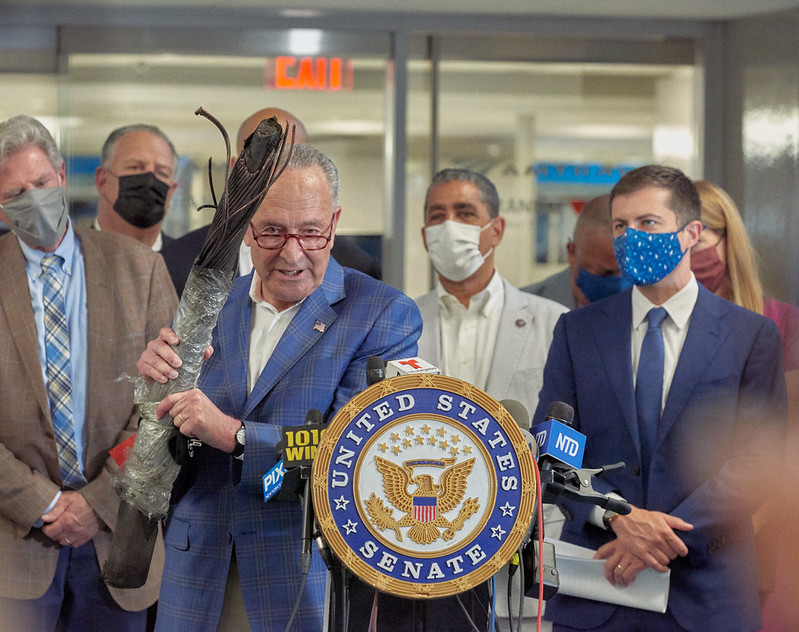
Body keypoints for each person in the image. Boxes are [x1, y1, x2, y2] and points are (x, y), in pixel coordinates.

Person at [136, 144, 422, 632]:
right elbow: (165, 439)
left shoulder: (383, 313)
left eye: (311, 232)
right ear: (246, 226)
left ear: (334, 223)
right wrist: (152, 389)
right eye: (272, 231)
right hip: (194, 568)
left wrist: (234, 433)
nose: (292, 253)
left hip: (299, 570)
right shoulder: (207, 305)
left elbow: (353, 452)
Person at [534, 164, 786, 632]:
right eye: (620, 226)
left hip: (707, 595)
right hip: (599, 589)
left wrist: (659, 535)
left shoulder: (750, 336)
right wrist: (619, 517)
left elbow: (758, 462)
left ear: (691, 232)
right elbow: (552, 451)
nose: (632, 238)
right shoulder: (577, 332)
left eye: (648, 223)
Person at [347, 168, 566, 631]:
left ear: (497, 229)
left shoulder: (554, 324)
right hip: (422, 562)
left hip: (521, 567)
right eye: (437, 216)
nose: (450, 226)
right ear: (426, 235)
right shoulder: (396, 323)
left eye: (465, 213)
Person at [0, 115, 177, 630]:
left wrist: (96, 500)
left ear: (60, 175)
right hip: (14, 548)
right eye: (15, 193)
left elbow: (168, 404)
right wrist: (44, 503)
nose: (32, 198)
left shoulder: (139, 269)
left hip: (119, 542)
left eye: (40, 183)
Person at [690, 180, 799, 624]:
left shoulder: (780, 324)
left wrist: (739, 528)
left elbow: (785, 443)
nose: (687, 250)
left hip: (757, 530)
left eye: (699, 236)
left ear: (727, 240)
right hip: (668, 528)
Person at [162, 107, 381, 296]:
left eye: (295, 161)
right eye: (265, 160)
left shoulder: (358, 266)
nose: (279, 175)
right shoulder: (178, 261)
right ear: (235, 167)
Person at [522, 194, 630, 309]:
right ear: (572, 253)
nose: (620, 283)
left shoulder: (649, 305)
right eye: (605, 272)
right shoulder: (523, 309)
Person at [94, 124, 179, 251]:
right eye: (135, 167)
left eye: (162, 173)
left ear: (172, 191)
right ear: (102, 181)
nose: (149, 181)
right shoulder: (67, 257)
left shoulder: (191, 265)